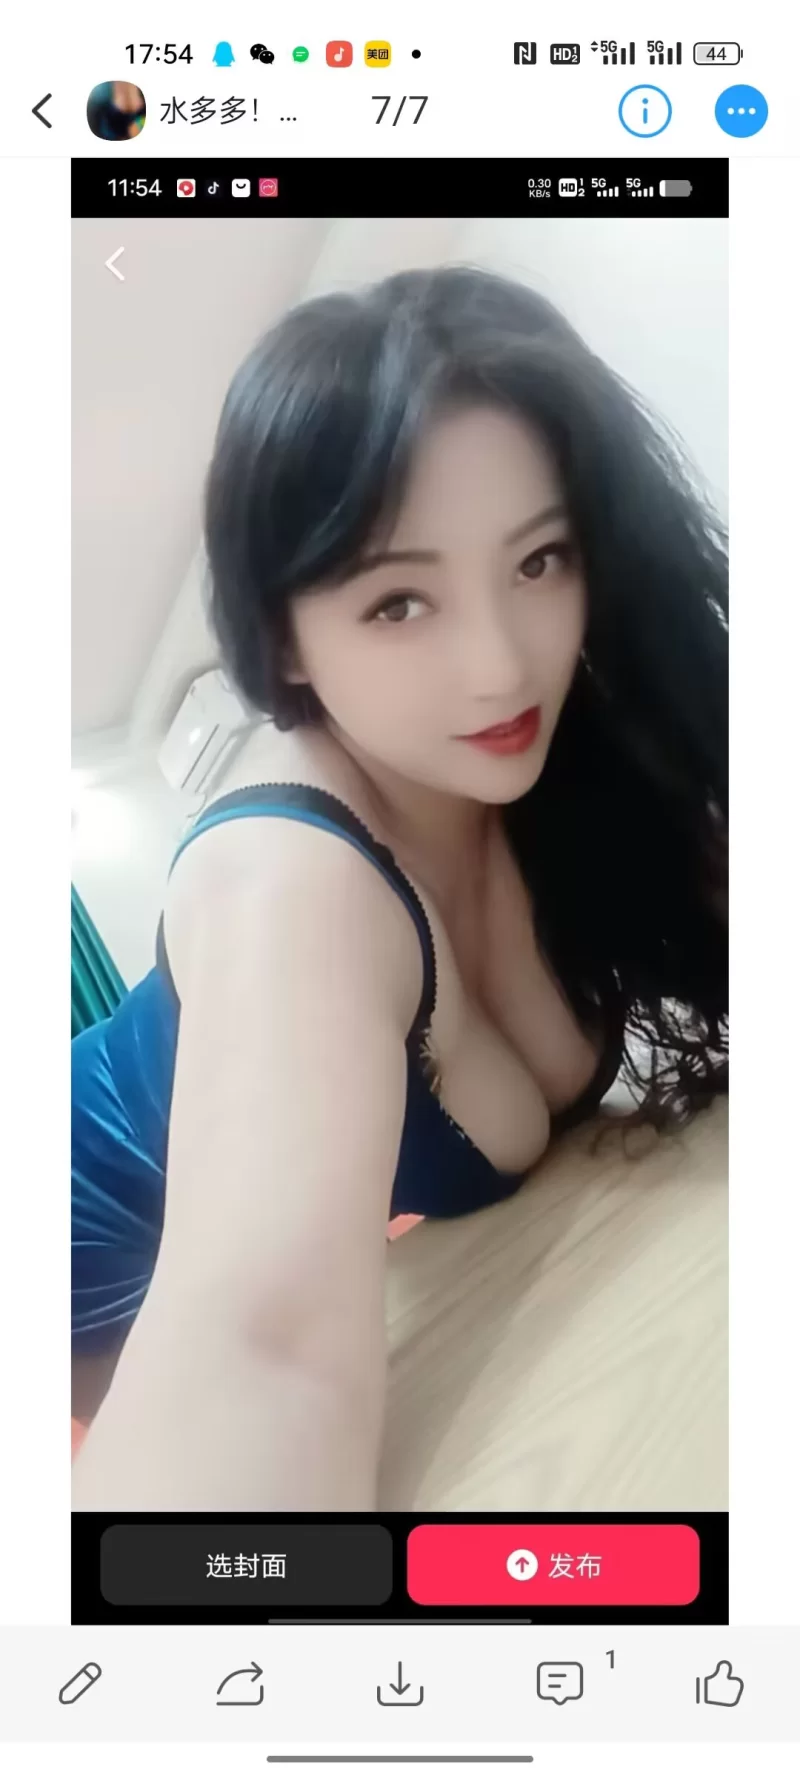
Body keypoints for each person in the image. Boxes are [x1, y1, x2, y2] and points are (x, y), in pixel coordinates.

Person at [71, 265, 728, 1508]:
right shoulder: (289, 878)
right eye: (398, 600)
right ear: (281, 636)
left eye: (538, 560)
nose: (499, 664)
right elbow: (260, 1352)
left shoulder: (563, 750)